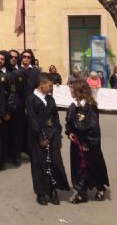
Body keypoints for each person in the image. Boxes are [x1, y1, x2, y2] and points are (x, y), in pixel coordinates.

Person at [26, 74, 70, 205]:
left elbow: (55, 117)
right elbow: (32, 119)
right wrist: (40, 137)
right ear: (41, 85)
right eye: (50, 85)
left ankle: (52, 190)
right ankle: (41, 192)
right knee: (40, 163)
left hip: (53, 134)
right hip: (38, 135)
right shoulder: (31, 99)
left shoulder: (50, 99)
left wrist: (59, 134)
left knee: (54, 162)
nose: (52, 88)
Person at [65, 79, 109, 203]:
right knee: (78, 168)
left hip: (89, 144)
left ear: (79, 90)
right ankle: (81, 193)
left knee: (93, 166)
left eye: (72, 88)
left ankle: (100, 188)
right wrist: (69, 132)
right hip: (76, 144)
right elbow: (68, 122)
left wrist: (86, 143)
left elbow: (93, 127)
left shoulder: (90, 106)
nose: (70, 90)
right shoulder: (73, 106)